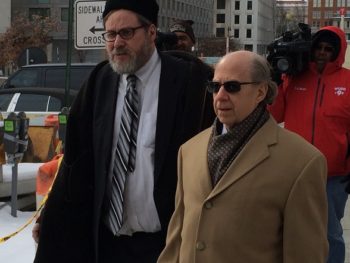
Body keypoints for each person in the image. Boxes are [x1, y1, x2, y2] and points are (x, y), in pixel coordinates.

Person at [33, 0, 214, 262]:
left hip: (168, 245)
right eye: (110, 34)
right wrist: (51, 216)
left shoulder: (188, 82)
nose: (116, 43)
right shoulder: (99, 83)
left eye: (126, 33)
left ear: (151, 32)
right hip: (107, 245)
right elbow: (76, 164)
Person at [157, 50, 329, 263]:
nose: (220, 96)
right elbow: (177, 237)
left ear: (260, 92)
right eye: (214, 86)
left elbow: (306, 254)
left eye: (232, 87)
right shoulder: (189, 150)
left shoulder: (302, 162)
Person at [268, 26, 350, 263]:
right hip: (295, 171)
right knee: (291, 229)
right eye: (319, 48)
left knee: (330, 234)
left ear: (338, 52)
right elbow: (274, 115)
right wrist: (275, 84)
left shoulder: (347, 81)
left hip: (334, 176)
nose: (323, 53)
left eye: (329, 49)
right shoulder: (294, 78)